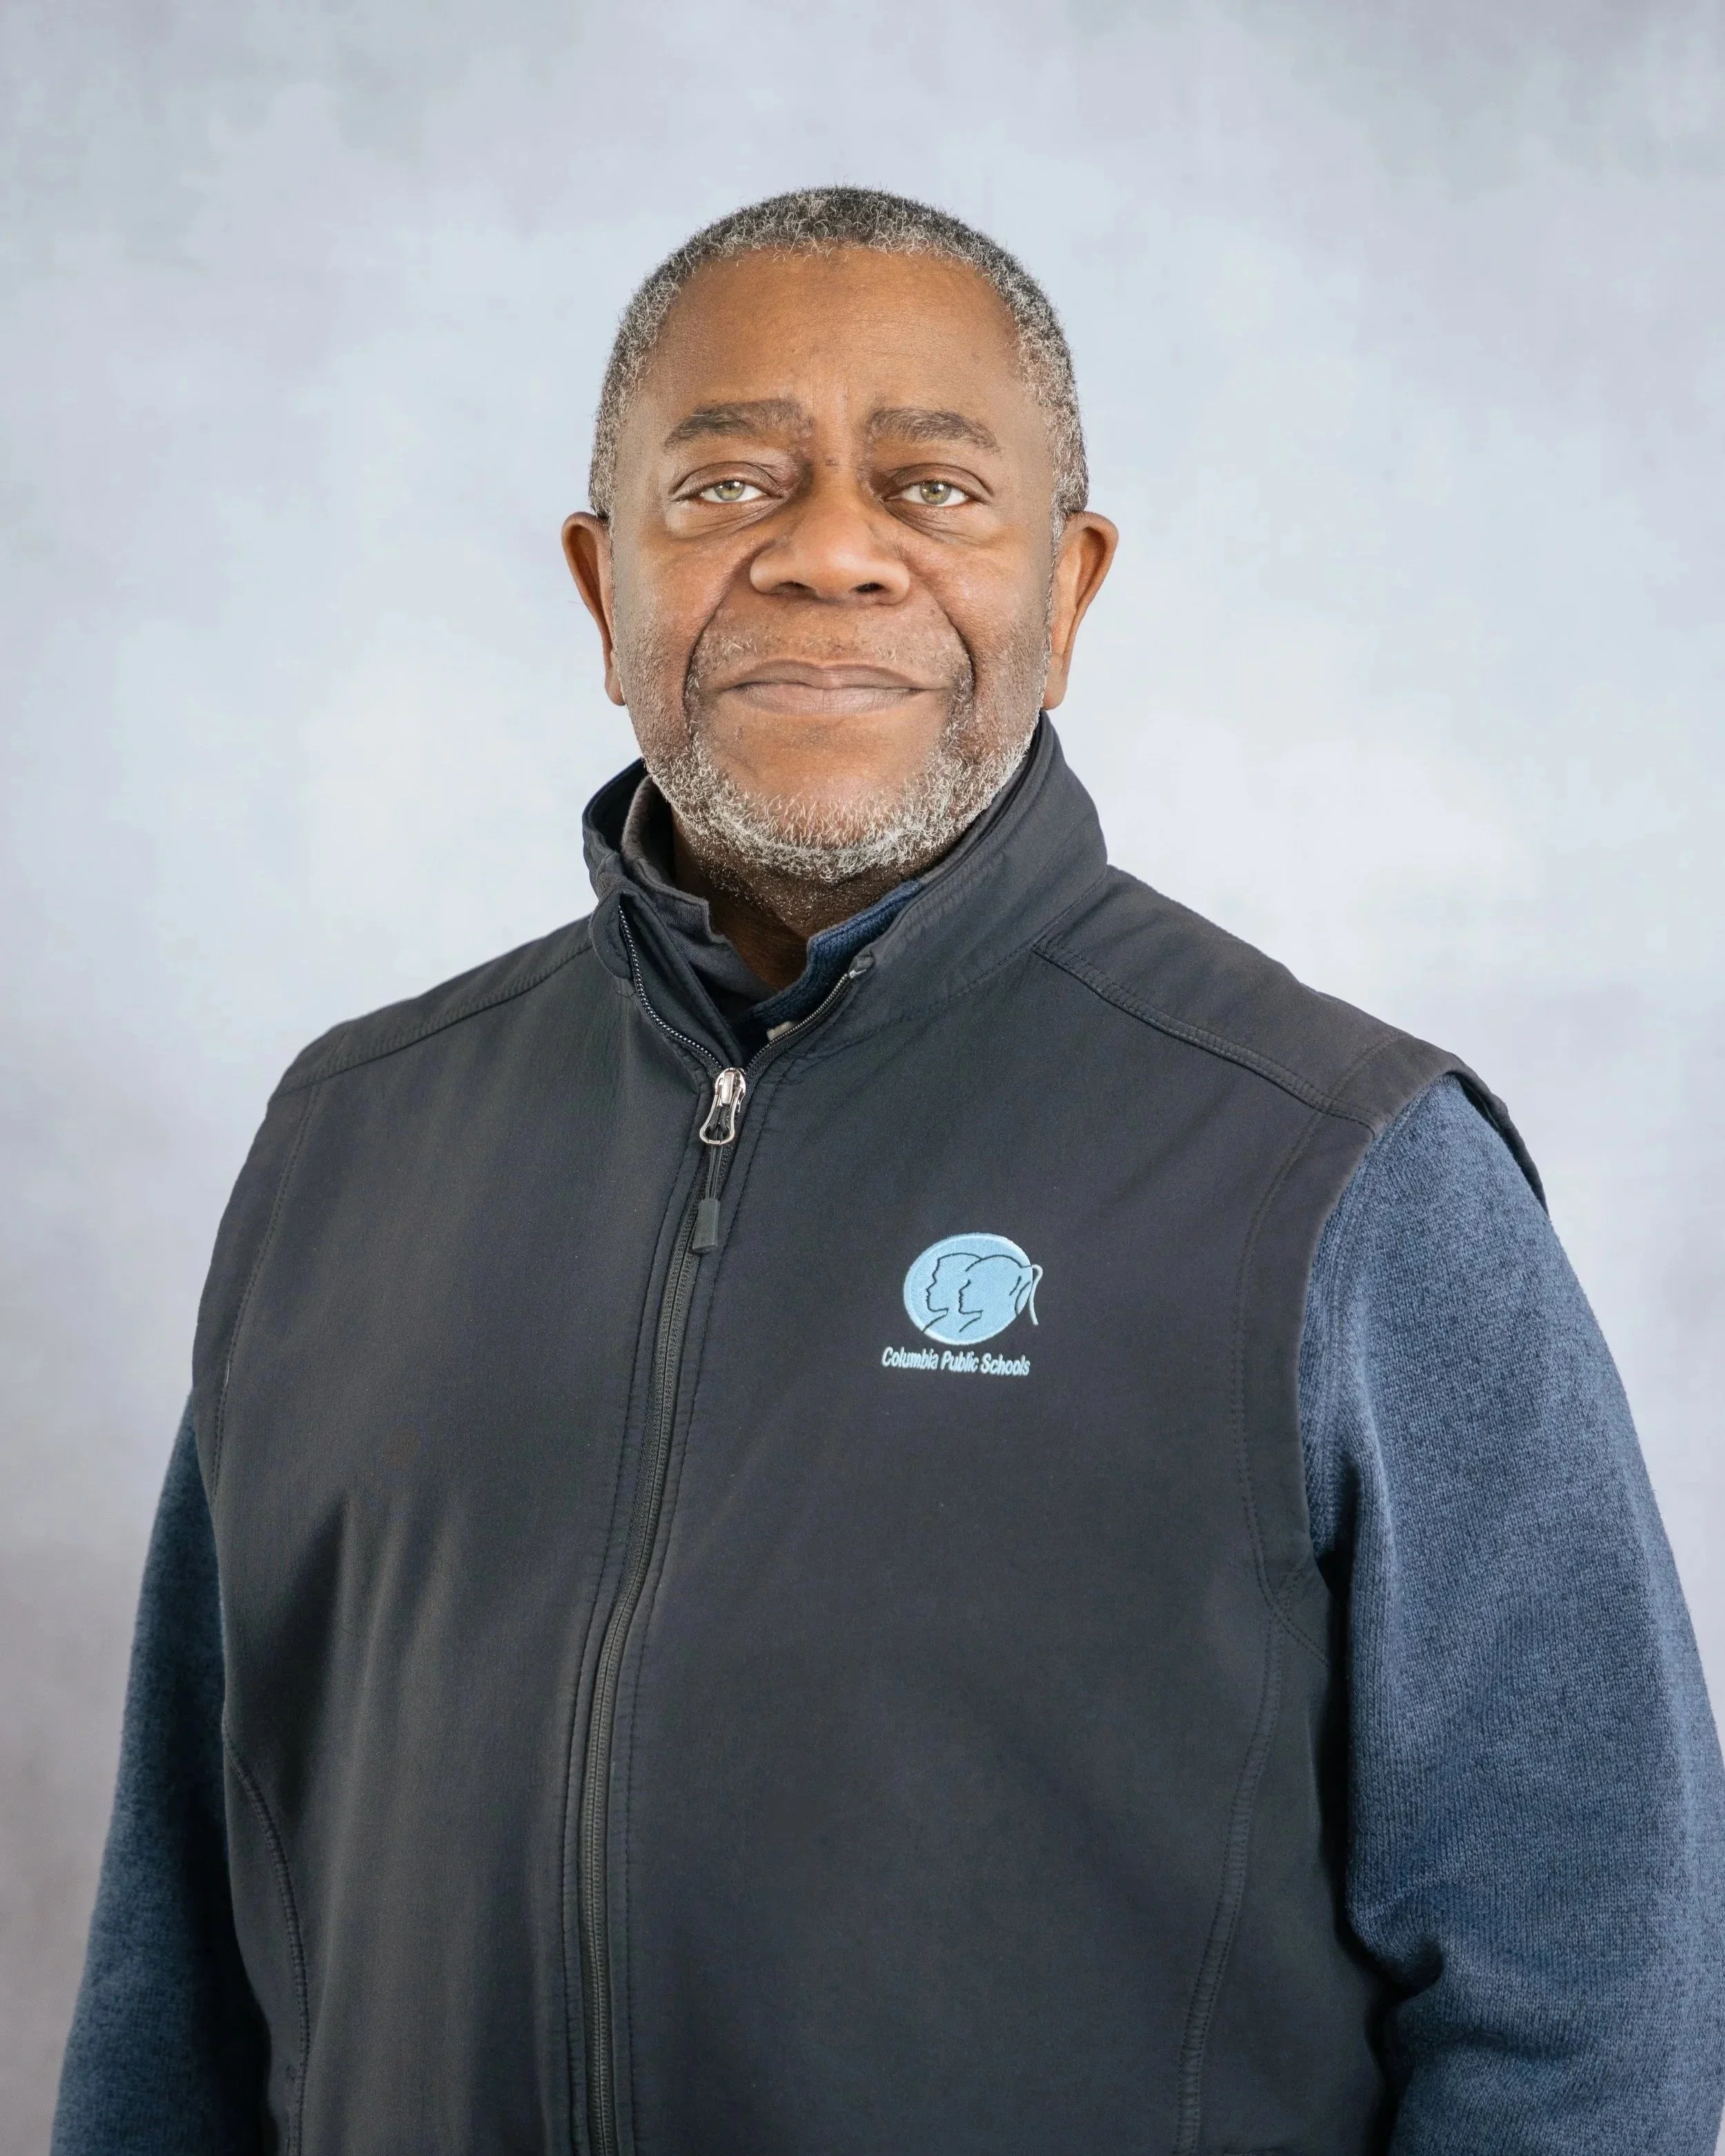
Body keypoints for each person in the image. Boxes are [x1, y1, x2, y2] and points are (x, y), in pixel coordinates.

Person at [53, 186, 1725, 2156]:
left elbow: (1582, 2008)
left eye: (931, 488)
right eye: (727, 480)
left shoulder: (1347, 1172)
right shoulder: (348, 1143)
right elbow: (178, 1982)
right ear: (603, 589)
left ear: (1066, 590)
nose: (828, 551)